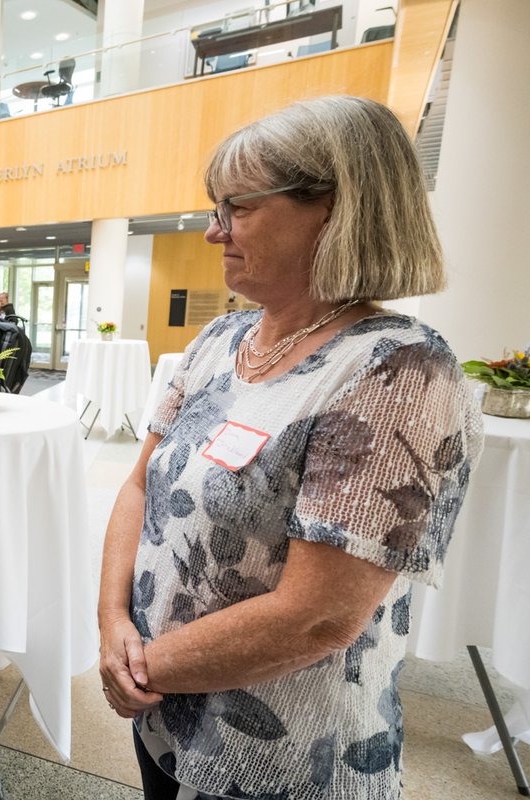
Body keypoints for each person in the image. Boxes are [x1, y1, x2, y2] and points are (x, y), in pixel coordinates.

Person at [97, 95, 483, 799]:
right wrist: (112, 623)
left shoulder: (396, 367)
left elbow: (320, 616)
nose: (214, 233)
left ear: (336, 209)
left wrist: (142, 666)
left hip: (280, 754)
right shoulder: (220, 341)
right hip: (163, 713)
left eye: (236, 208)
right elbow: (137, 486)